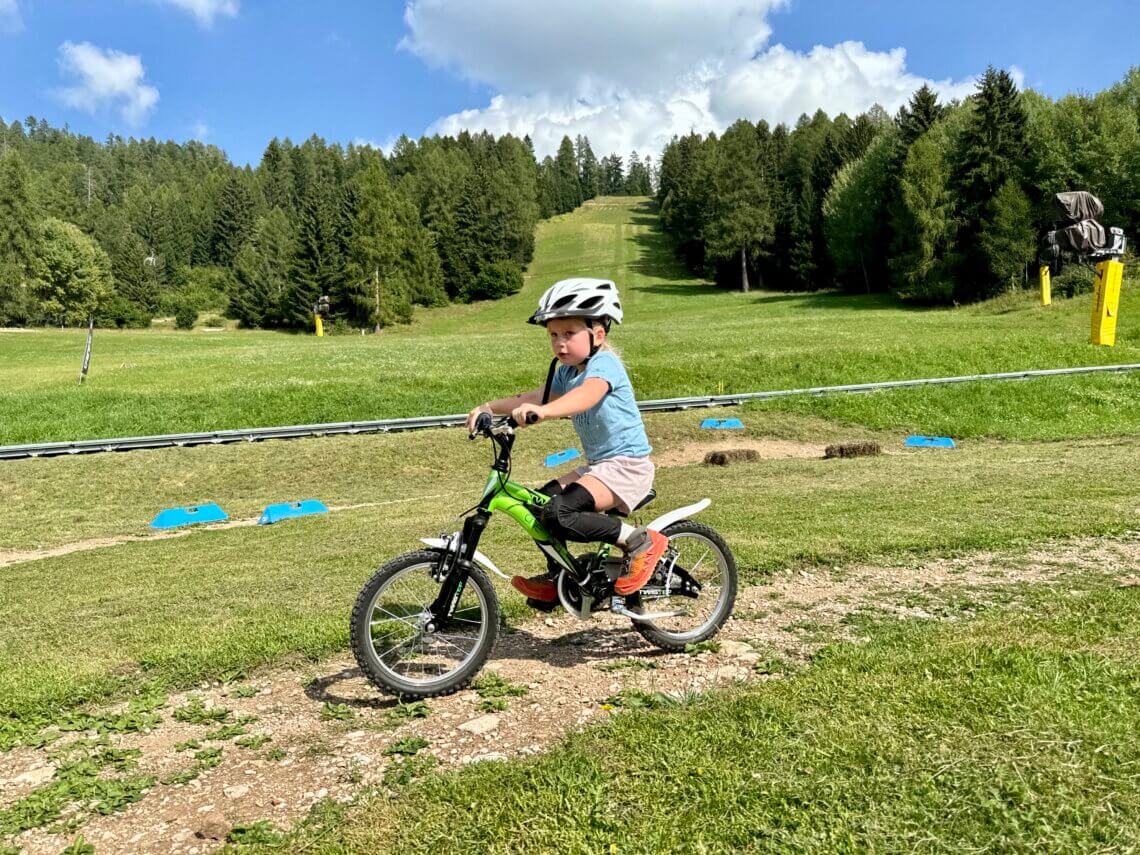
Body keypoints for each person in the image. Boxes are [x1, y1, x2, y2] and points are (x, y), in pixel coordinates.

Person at [465, 277, 668, 607]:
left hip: (626, 467)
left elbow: (586, 397)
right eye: (553, 334)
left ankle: (638, 540)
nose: (560, 343)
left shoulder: (605, 365)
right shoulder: (566, 370)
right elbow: (537, 395)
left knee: (560, 512)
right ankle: (561, 574)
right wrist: (489, 407)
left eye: (569, 333)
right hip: (599, 467)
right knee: (542, 504)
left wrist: (543, 413)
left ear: (597, 334)